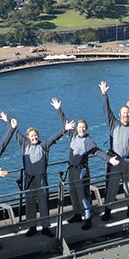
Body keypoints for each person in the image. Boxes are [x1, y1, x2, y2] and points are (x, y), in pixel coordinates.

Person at [6, 111, 62, 236]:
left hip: (41, 179)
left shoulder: (43, 145)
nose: (34, 137)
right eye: (31, 136)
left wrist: (65, 129)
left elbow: (55, 137)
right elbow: (15, 133)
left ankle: (45, 227)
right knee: (30, 203)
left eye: (35, 135)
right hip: (29, 180)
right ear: (28, 137)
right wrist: (8, 121)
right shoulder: (24, 145)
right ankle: (32, 227)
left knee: (44, 203)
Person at [98, 81, 129, 218]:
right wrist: (104, 94)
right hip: (115, 161)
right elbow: (107, 110)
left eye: (128, 113)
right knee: (112, 187)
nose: (126, 115)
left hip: (128, 161)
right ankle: (107, 211)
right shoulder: (113, 125)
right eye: (123, 113)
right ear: (119, 115)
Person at [52, 97, 99, 229]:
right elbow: (65, 124)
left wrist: (110, 159)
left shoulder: (88, 140)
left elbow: (97, 151)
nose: (81, 129)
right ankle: (77, 214)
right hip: (71, 169)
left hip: (81, 170)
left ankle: (88, 218)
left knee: (83, 194)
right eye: (79, 127)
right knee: (73, 193)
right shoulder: (73, 135)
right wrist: (58, 109)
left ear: (86, 129)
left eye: (83, 128)